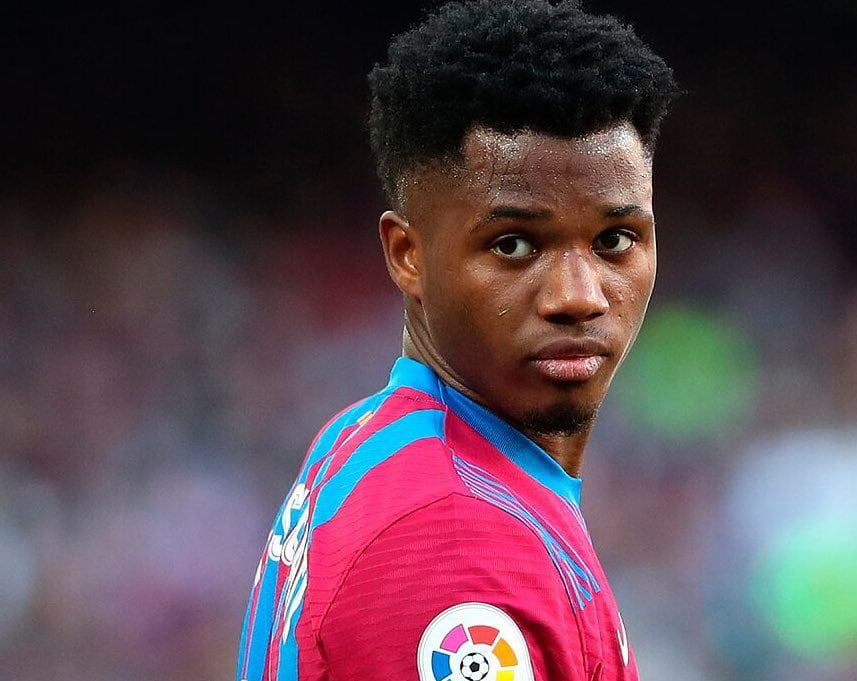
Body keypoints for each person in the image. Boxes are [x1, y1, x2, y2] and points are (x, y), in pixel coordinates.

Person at [236, 1, 679, 679]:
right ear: (407, 254)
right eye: (514, 244)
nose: (579, 295)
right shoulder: (454, 539)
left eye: (614, 240)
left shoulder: (371, 438)